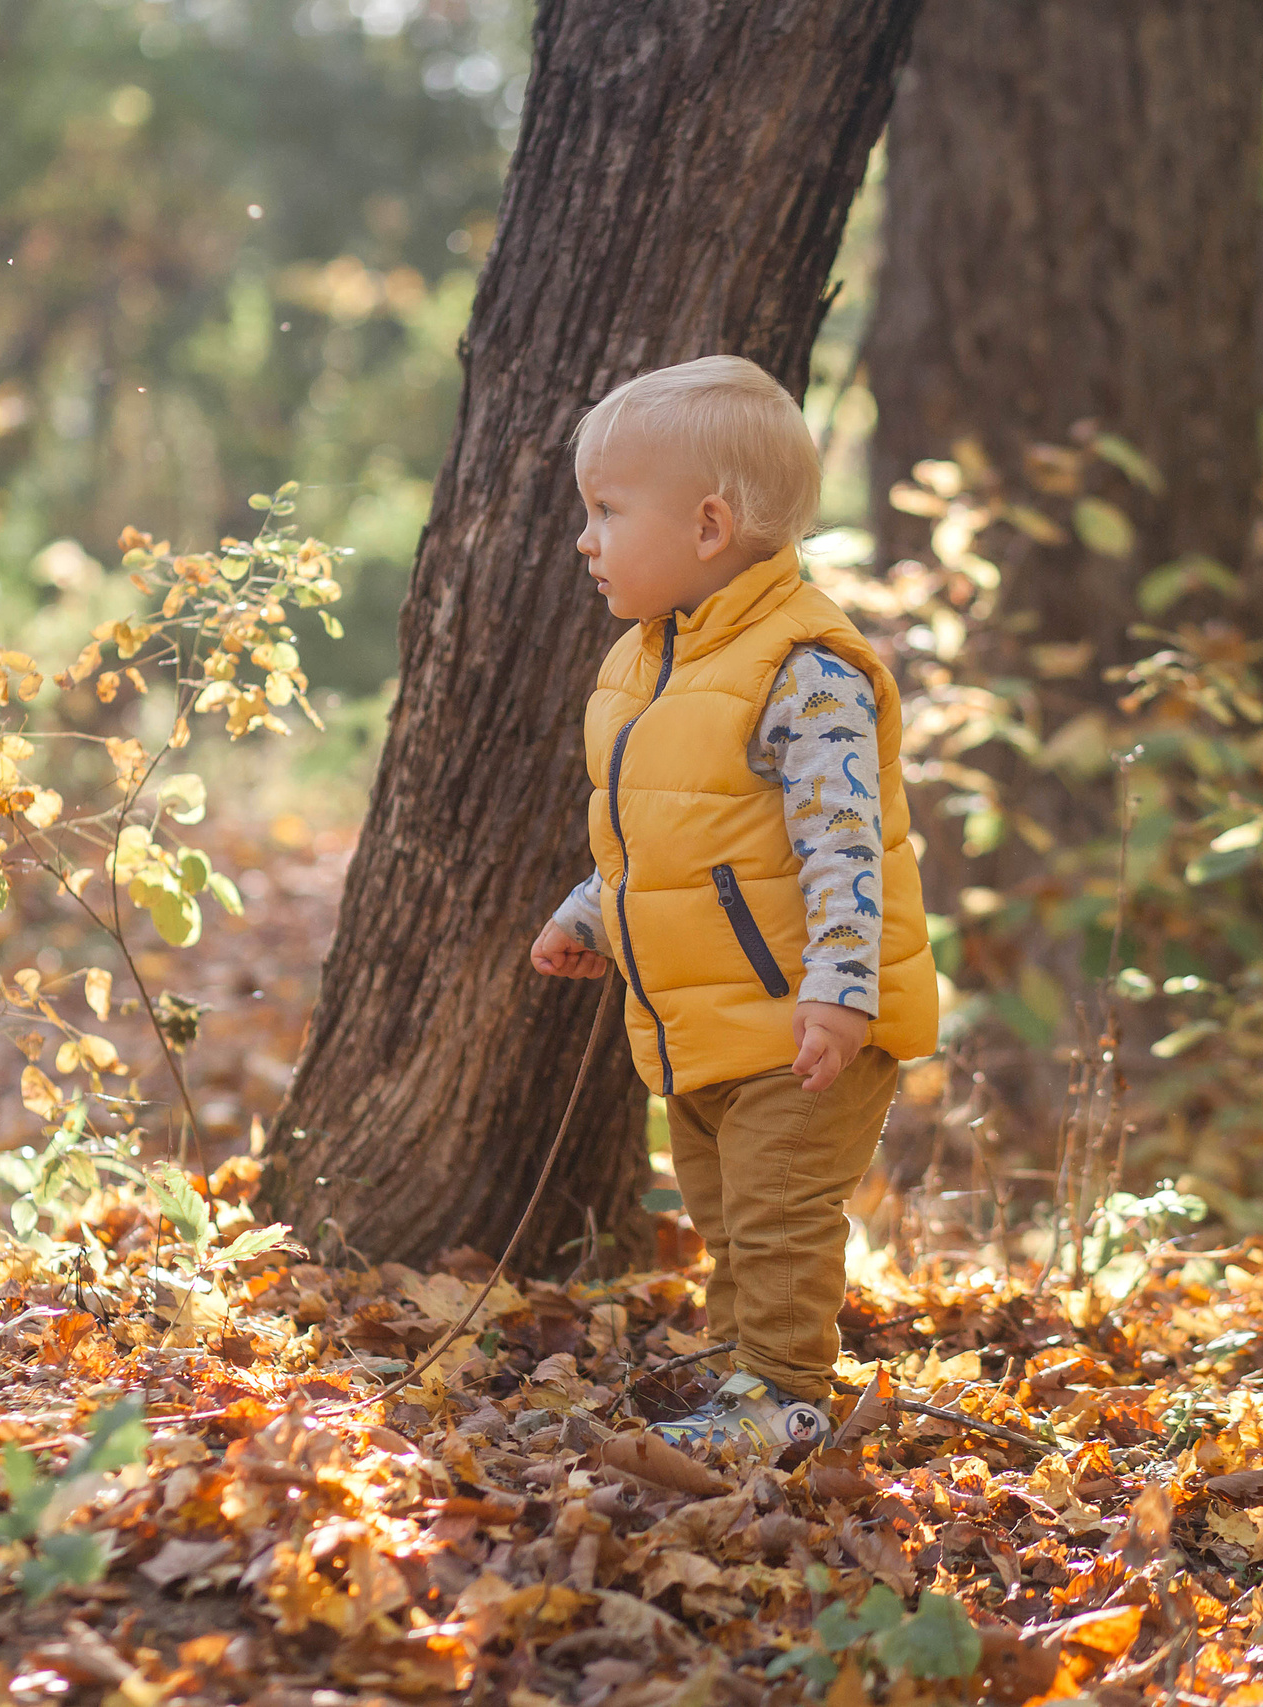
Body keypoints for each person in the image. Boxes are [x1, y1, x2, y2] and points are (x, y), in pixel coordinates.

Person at [529, 355, 939, 1456]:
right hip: (706, 1023)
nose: (586, 539)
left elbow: (843, 846)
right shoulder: (642, 665)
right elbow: (664, 834)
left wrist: (841, 992)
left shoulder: (803, 670)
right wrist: (591, 914)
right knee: (724, 1218)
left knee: (778, 1215)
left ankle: (786, 1396)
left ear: (709, 527)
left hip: (804, 1024)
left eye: (608, 512)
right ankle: (744, 1377)